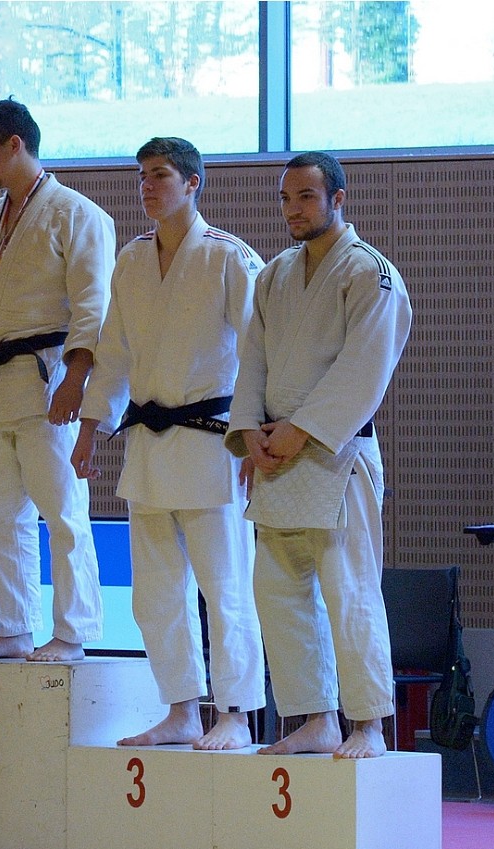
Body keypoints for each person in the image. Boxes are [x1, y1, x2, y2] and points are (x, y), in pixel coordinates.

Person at [71, 137, 266, 751]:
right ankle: (181, 708)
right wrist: (90, 427)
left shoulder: (229, 257)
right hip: (149, 446)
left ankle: (235, 712)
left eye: (160, 175)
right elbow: (114, 353)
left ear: (192, 183)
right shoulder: (131, 260)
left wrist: (257, 437)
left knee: (225, 588)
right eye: (142, 176)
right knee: (155, 595)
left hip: (215, 445)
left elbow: (261, 353)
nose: (147, 187)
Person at [225, 151, 412, 760]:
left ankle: (369, 723)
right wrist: (249, 431)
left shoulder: (370, 273)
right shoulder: (274, 275)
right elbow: (252, 359)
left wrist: (302, 431)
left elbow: (365, 370)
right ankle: (316, 717)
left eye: (306, 196)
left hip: (337, 454)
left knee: (349, 590)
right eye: (286, 198)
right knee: (277, 591)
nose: (293, 209)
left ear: (337, 199)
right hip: (277, 456)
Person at [0, 97, 115, 663]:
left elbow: (94, 308)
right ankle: (13, 625)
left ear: (16, 145)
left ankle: (73, 631)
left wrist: (76, 379)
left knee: (63, 512)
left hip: (46, 379)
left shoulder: (78, 214)